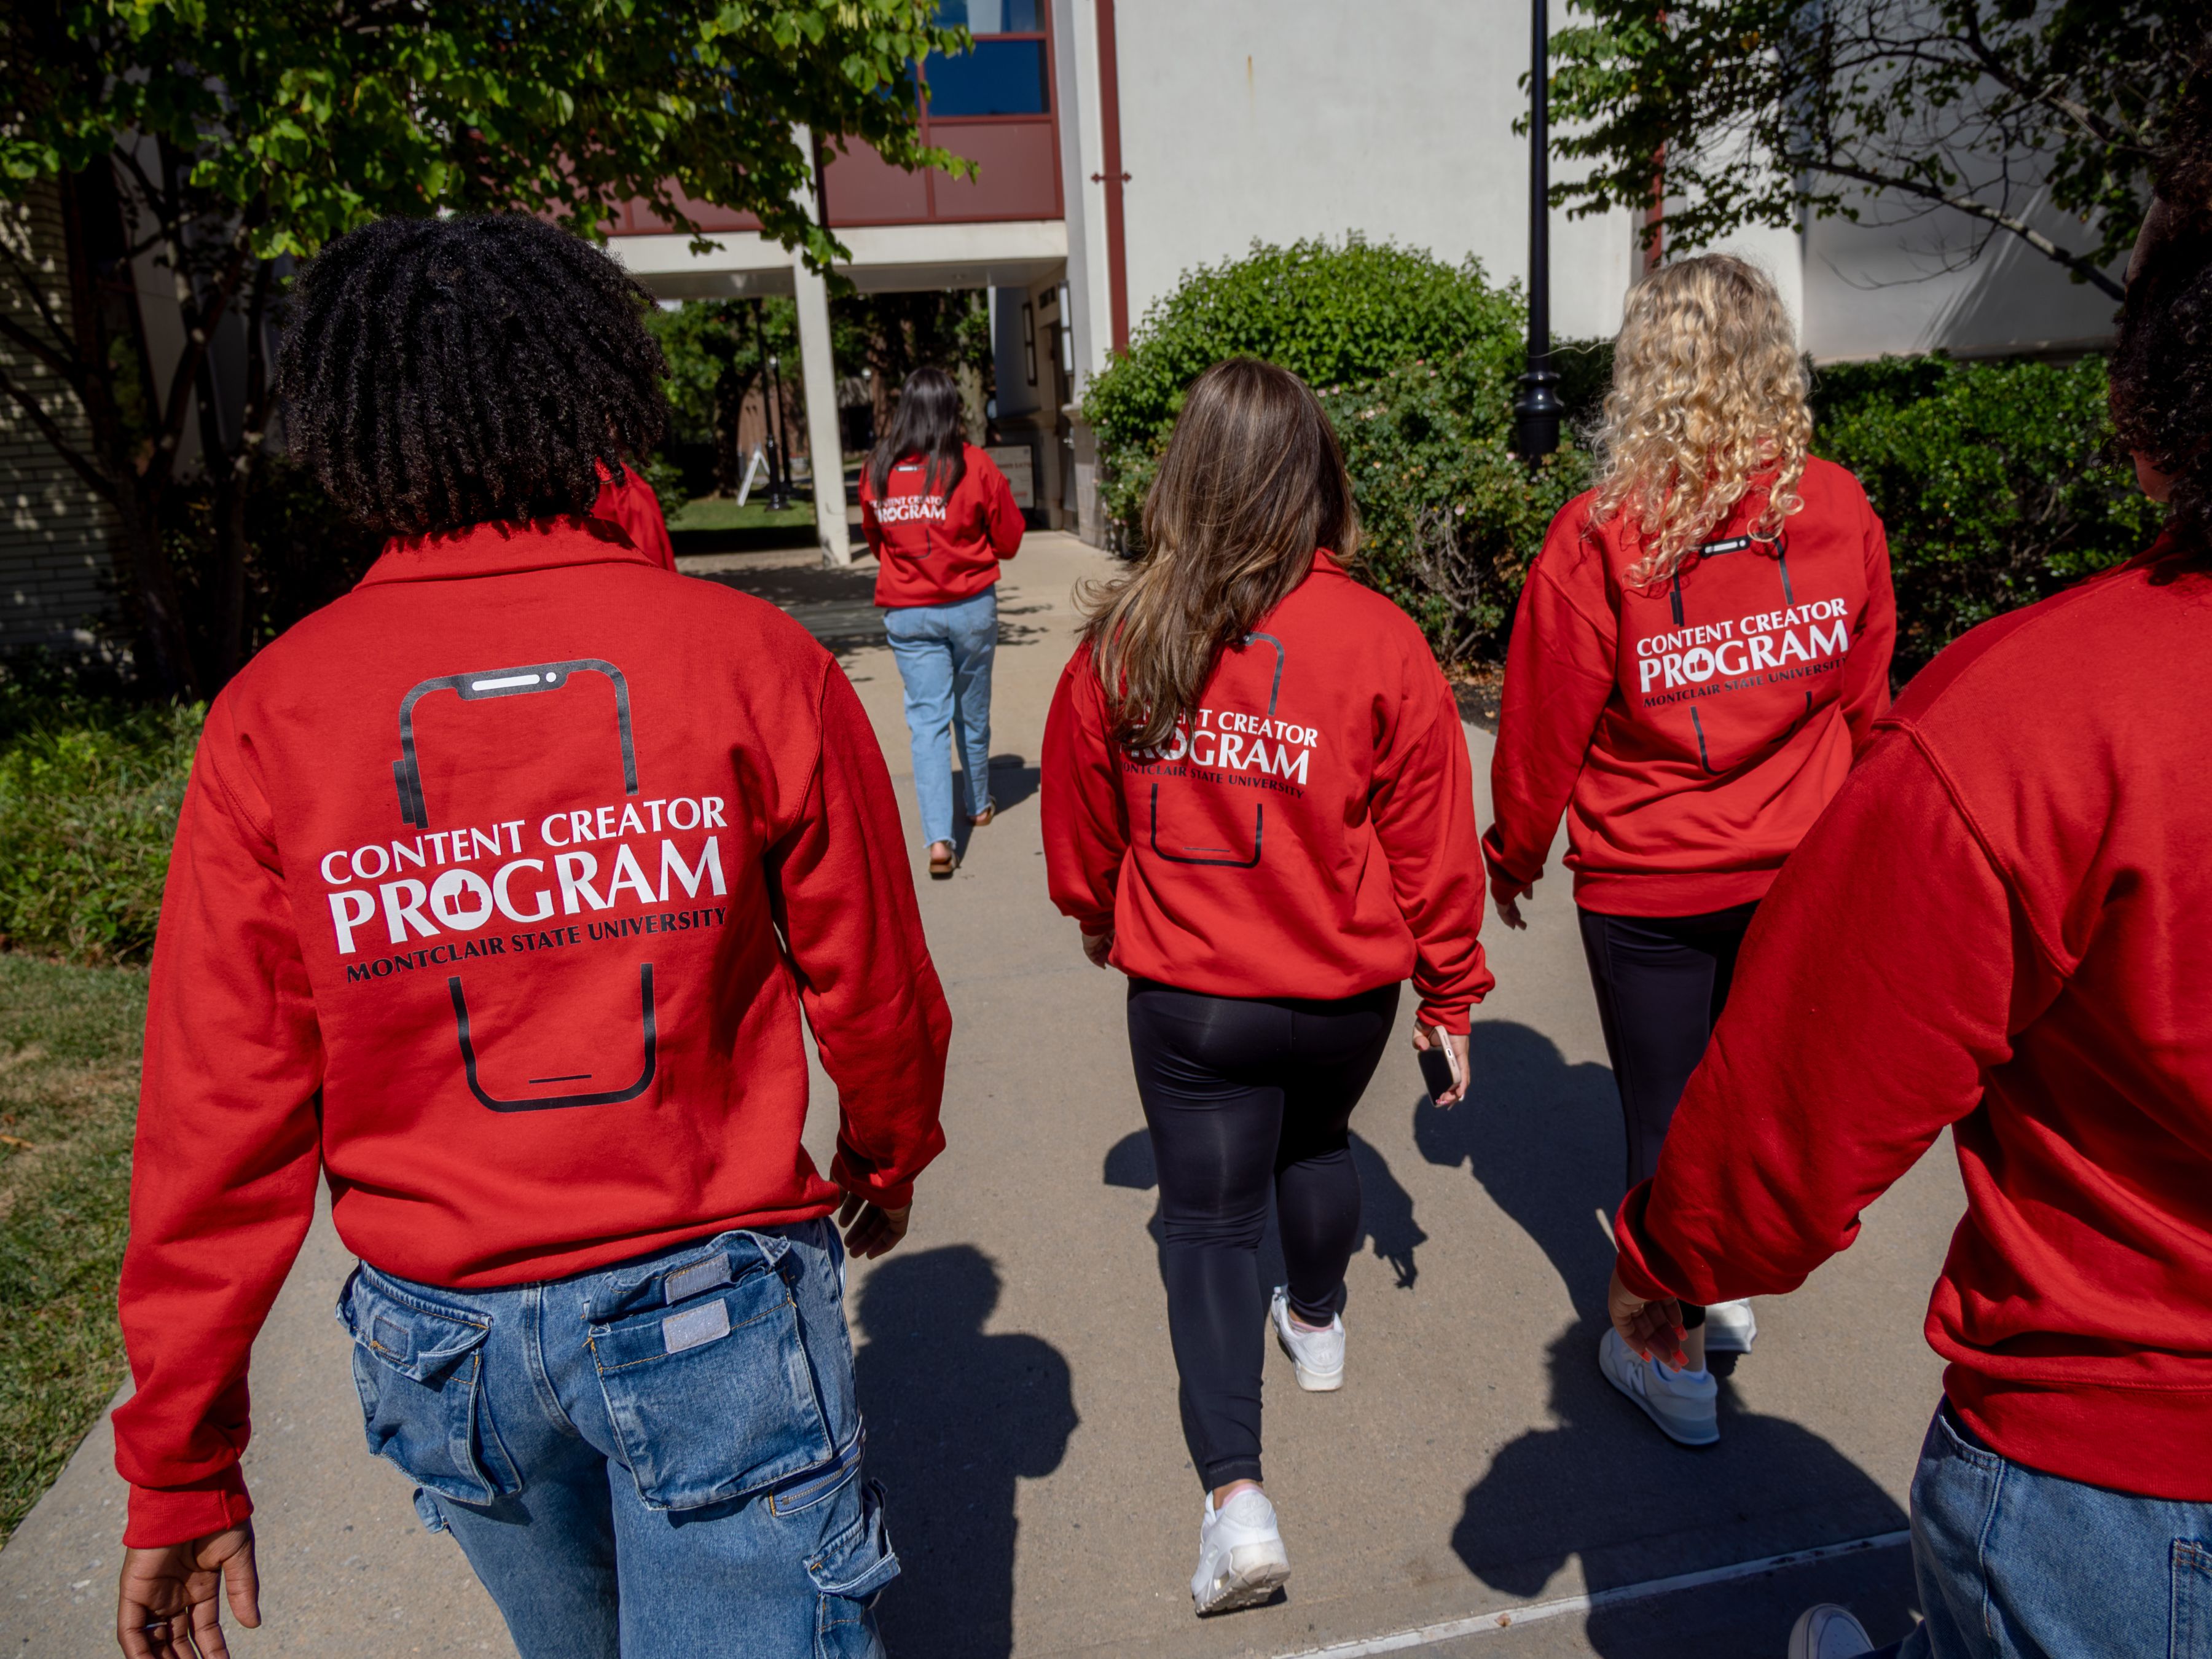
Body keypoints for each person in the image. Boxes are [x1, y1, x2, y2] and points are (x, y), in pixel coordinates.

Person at [109, 214, 951, 1659]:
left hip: (448, 1340)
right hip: (713, 1300)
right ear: (592, 392)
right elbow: (874, 985)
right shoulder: (751, 662)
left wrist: (182, 1457)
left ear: (347, 421)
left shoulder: (276, 713)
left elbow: (216, 1117)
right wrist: (883, 1151)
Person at [1605, 75, 2212, 1659]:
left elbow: (1802, 1098)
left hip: (2113, 1454)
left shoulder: (2048, 712)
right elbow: (1861, 676)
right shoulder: (1861, 534)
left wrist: (1676, 1255)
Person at [1041, 358, 1491, 1615]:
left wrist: (1094, 918)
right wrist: (1451, 999)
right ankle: (1319, 1316)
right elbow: (1433, 846)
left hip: (1191, 995)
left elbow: (1081, 829)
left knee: (1202, 1220)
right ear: (1319, 476)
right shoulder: (1384, 640)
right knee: (1319, 1137)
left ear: (1183, 474)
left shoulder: (1126, 638)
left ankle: (1236, 1502)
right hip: (1344, 990)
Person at [1483, 254, 1896, 1446]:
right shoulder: (1841, 510)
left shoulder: (1601, 533)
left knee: (1667, 1113)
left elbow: (1544, 720)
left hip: (1651, 880)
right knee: (1757, 1095)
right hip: (1799, 869)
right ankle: (1713, 1291)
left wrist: (1513, 853)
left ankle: (1676, 1348)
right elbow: (1872, 711)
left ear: (1645, 369)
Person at [859, 367, 1024, 879]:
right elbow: (1011, 540)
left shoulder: (878, 468)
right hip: (971, 607)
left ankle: (938, 841)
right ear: (953, 410)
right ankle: (976, 804)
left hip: (908, 612)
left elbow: (874, 539)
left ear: (906, 408)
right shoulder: (973, 465)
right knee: (971, 712)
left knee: (926, 724)